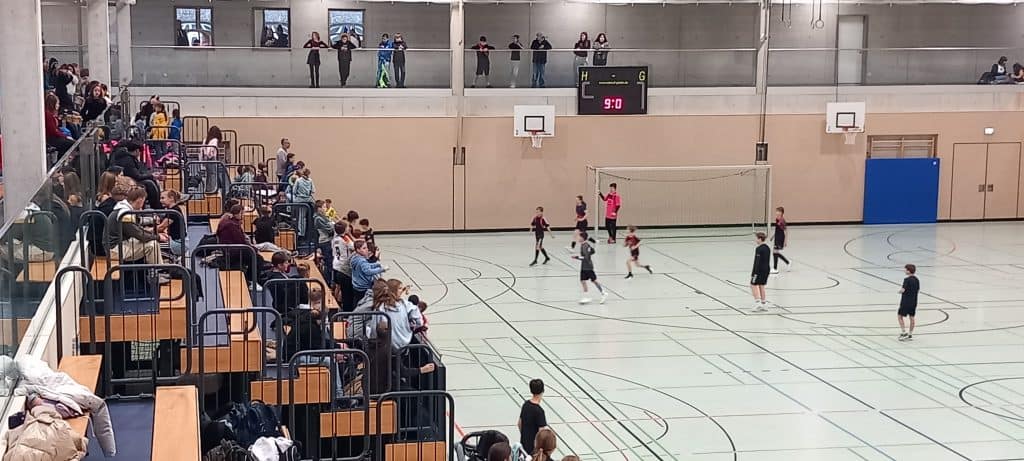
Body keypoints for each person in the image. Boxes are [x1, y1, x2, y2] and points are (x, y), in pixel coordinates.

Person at [105, 189, 167, 271]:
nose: (143, 205)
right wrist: (158, 237)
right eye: (143, 201)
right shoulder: (125, 214)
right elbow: (139, 235)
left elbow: (137, 227)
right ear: (139, 200)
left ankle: (158, 267)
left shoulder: (123, 208)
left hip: (118, 245)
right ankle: (158, 272)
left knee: (149, 241)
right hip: (115, 250)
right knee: (152, 245)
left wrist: (152, 228)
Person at [111, 141, 163, 210]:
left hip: (130, 179)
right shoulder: (128, 160)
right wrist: (151, 176)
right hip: (129, 181)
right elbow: (136, 176)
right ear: (137, 151)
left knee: (151, 181)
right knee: (149, 183)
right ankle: (156, 207)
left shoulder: (125, 157)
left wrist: (150, 175)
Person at [351, 239, 388, 305]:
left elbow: (367, 265)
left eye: (366, 248)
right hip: (363, 287)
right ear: (358, 250)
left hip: (356, 284)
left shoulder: (355, 258)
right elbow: (368, 271)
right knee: (362, 303)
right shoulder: (362, 261)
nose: (367, 250)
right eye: (364, 248)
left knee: (356, 301)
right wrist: (382, 269)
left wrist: (376, 264)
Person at [574, 231, 606, 304]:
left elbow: (586, 258)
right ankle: (586, 297)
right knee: (583, 281)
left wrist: (577, 257)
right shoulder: (584, 245)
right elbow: (593, 251)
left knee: (594, 280)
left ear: (582, 238)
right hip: (584, 266)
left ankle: (603, 293)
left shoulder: (585, 246)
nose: (578, 238)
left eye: (579, 237)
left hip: (588, 267)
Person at [331, 221, 357, 311]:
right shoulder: (345, 238)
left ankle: (336, 305)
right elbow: (354, 247)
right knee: (345, 291)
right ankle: (345, 309)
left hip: (335, 264)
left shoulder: (334, 239)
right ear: (345, 229)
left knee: (338, 286)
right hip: (343, 266)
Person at [518, 379, 548, 452]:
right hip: (534, 449)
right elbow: (541, 433)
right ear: (542, 391)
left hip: (523, 445)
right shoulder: (539, 411)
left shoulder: (526, 405)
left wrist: (525, 437)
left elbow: (519, 424)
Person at [156, 190, 186, 258]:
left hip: (179, 244)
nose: (160, 200)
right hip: (175, 240)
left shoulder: (173, 211)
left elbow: (161, 227)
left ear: (171, 198)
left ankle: (171, 260)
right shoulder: (171, 210)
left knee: (154, 246)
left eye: (163, 198)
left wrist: (145, 231)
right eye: (160, 198)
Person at [751, 232, 772, 312]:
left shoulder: (759, 249)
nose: (756, 240)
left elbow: (757, 262)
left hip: (759, 270)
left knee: (753, 284)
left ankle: (757, 303)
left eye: (756, 238)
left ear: (760, 239)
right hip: (766, 269)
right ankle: (764, 303)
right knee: (761, 285)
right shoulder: (767, 248)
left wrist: (754, 273)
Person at [314, 200, 336, 278]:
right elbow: (329, 229)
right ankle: (328, 281)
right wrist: (332, 225)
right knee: (328, 263)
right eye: (324, 207)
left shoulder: (324, 217)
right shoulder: (318, 218)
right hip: (324, 242)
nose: (325, 209)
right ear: (319, 209)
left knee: (330, 262)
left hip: (328, 240)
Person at [898, 264, 919, 341]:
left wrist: (900, 292)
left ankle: (904, 332)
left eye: (905, 269)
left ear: (908, 271)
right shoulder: (917, 280)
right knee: (912, 317)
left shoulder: (906, 280)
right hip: (914, 301)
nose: (904, 271)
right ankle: (910, 334)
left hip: (906, 301)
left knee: (900, 316)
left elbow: (903, 290)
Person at [201, 126, 223, 193]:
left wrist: (203, 157)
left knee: (208, 174)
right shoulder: (215, 140)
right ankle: (213, 189)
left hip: (206, 158)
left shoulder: (206, 139)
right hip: (212, 158)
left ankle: (207, 189)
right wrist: (210, 155)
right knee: (213, 174)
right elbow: (212, 149)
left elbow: (202, 149)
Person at [771, 206, 791, 273]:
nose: (777, 212)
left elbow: (785, 231)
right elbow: (777, 228)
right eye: (776, 211)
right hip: (777, 236)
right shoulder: (777, 219)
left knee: (775, 252)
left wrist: (785, 241)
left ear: (781, 212)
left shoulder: (782, 220)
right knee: (775, 252)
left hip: (780, 237)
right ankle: (787, 262)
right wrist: (773, 236)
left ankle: (775, 268)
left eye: (778, 211)